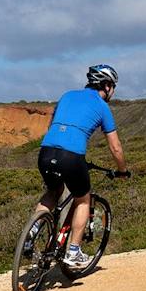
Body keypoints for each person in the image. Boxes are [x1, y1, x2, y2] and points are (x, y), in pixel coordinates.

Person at [35, 64, 129, 270]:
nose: (113, 91)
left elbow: (51, 125)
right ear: (105, 86)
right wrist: (122, 170)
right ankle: (74, 251)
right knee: (83, 200)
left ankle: (32, 231)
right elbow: (115, 147)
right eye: (112, 86)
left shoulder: (67, 95)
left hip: (46, 151)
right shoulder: (103, 107)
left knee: (53, 191)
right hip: (71, 156)